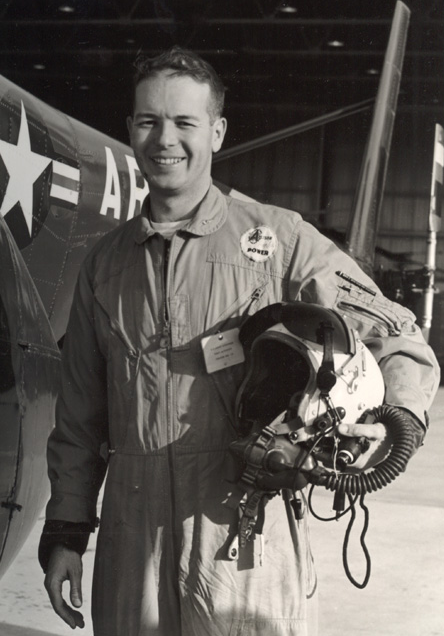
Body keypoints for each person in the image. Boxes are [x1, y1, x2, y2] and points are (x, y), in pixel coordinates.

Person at [38, 46, 440, 636]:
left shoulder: (278, 240)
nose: (164, 139)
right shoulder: (105, 266)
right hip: (131, 543)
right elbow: (79, 418)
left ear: (218, 132)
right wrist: (66, 533)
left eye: (184, 123)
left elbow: (398, 333)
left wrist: (396, 421)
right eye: (148, 121)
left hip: (246, 537)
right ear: (130, 129)